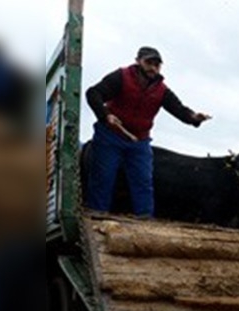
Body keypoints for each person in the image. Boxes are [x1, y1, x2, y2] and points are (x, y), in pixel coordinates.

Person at [84, 46, 211, 217]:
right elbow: (93, 93)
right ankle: (97, 217)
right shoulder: (121, 77)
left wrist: (195, 118)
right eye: (149, 62)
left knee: (143, 182)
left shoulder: (161, 90)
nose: (153, 68)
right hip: (110, 136)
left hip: (139, 141)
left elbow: (179, 109)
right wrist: (105, 115)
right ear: (138, 62)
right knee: (103, 178)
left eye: (157, 65)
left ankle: (144, 221)